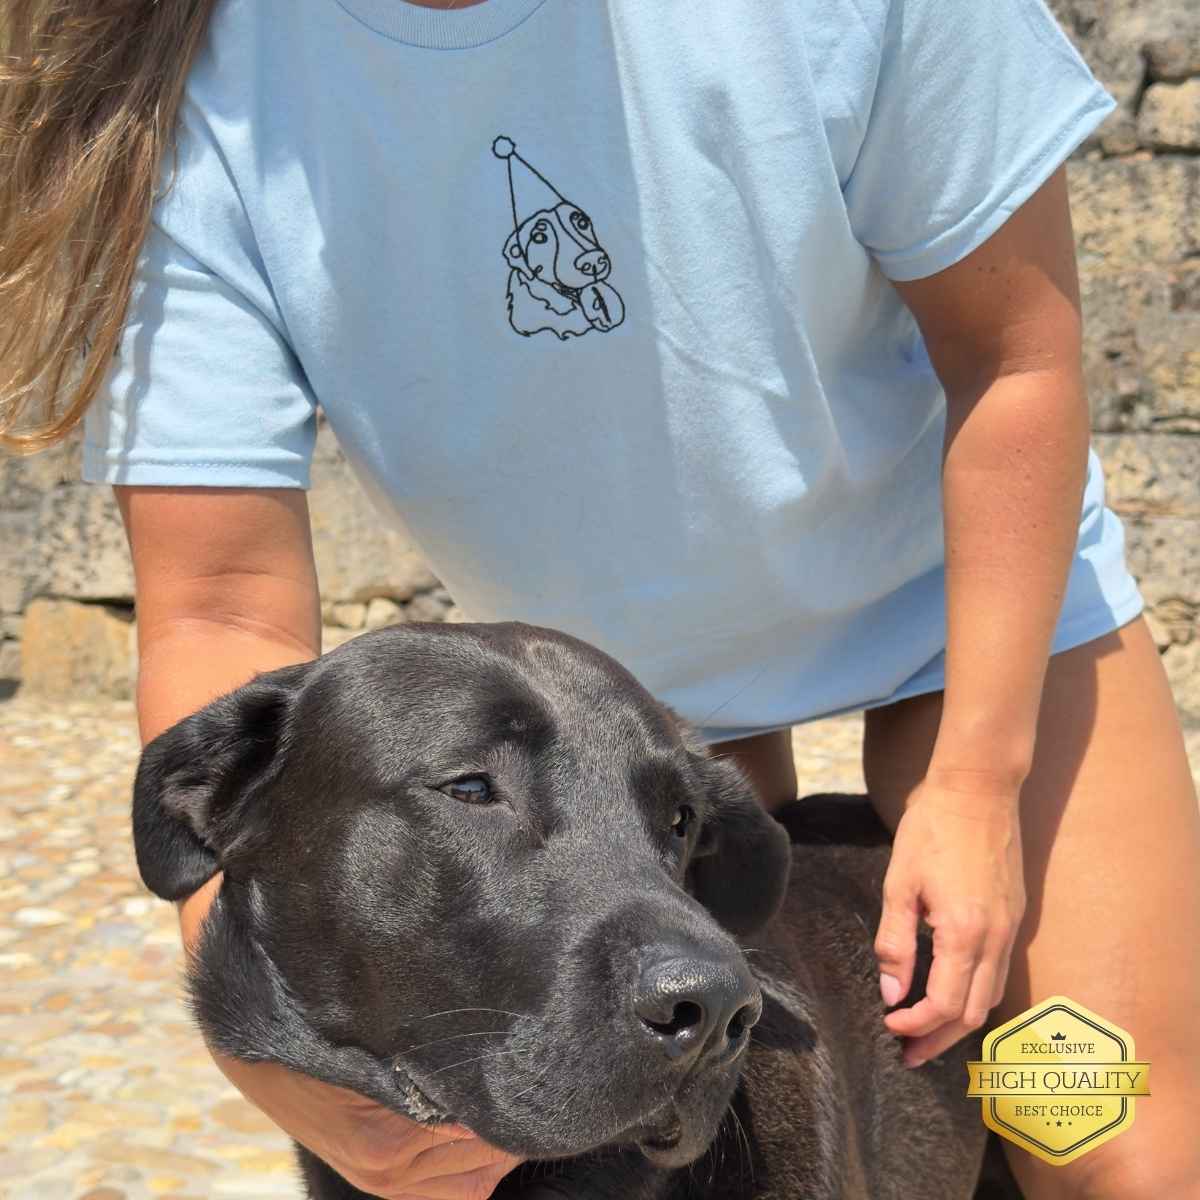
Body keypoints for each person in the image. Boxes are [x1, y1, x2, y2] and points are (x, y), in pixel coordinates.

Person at [3, 1, 1198, 1197]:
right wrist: (274, 1060)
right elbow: (222, 604)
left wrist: (980, 785)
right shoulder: (199, 86)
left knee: (1099, 1136)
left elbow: (1015, 361)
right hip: (612, 727)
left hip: (968, 615)